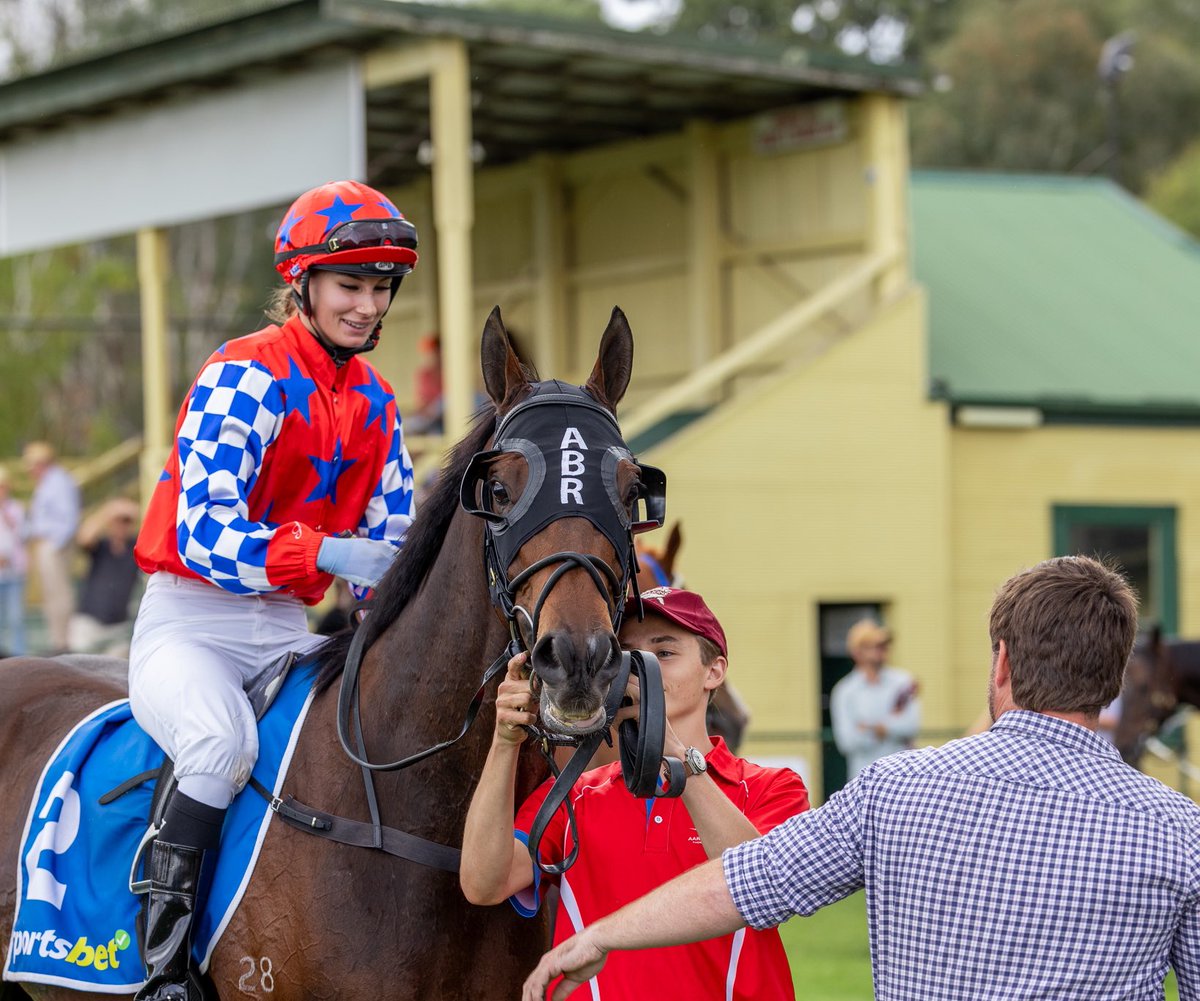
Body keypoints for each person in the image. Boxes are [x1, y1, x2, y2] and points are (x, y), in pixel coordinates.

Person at [523, 556, 1200, 1001]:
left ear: (1001, 664)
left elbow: (747, 883)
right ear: (1113, 681)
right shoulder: (1182, 832)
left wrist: (600, 935)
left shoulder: (895, 790)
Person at [128, 179, 419, 1001]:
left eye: (379, 289)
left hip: (289, 630)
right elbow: (203, 530)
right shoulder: (244, 371)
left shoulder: (378, 401)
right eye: (350, 286)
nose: (367, 306)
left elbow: (393, 542)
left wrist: (384, 592)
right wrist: (326, 551)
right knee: (220, 745)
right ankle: (166, 968)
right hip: (190, 624)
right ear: (305, 283)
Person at [461, 586, 809, 1001]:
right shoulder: (576, 795)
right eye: (624, 654)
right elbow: (484, 883)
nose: (639, 669)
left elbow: (764, 883)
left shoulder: (773, 786)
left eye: (663, 653)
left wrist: (676, 755)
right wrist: (504, 743)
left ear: (714, 671)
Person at [830, 617, 920, 778]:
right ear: (857, 652)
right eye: (874, 645)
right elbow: (847, 741)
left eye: (884, 644)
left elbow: (911, 725)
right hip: (865, 781)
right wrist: (890, 727)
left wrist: (869, 728)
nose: (882, 649)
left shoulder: (903, 681)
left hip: (903, 777)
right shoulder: (845, 691)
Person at [22, 441, 81, 654]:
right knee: (52, 594)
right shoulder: (50, 482)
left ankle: (63, 642)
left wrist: (56, 545)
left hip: (54, 545)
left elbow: (68, 518)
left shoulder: (58, 482)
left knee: (59, 594)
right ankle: (59, 640)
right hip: (49, 544)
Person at [68, 497, 141, 655]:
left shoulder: (135, 548)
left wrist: (132, 511)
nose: (121, 525)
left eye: (126, 521)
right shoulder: (101, 545)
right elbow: (83, 537)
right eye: (118, 520)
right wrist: (107, 512)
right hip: (89, 623)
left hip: (117, 628)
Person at [0, 467, 28, 656]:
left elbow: (23, 534)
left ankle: (19, 656)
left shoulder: (16, 508)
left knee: (15, 618)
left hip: (13, 571)